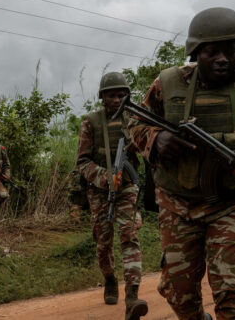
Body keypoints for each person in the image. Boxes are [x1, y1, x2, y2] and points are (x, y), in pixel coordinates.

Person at [129, 7, 235, 320]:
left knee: (233, 292)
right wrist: (155, 140)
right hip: (177, 204)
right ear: (196, 53)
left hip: (231, 203)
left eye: (231, 51)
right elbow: (134, 123)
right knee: (179, 293)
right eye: (212, 52)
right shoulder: (167, 85)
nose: (223, 58)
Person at [76, 72, 148, 320]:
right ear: (102, 97)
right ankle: (109, 279)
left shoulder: (135, 120)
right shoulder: (91, 122)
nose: (116, 99)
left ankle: (132, 295)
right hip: (99, 190)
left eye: (121, 95)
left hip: (128, 187)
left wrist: (139, 144)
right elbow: (82, 162)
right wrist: (105, 177)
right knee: (103, 242)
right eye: (111, 95)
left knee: (129, 234)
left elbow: (151, 146)